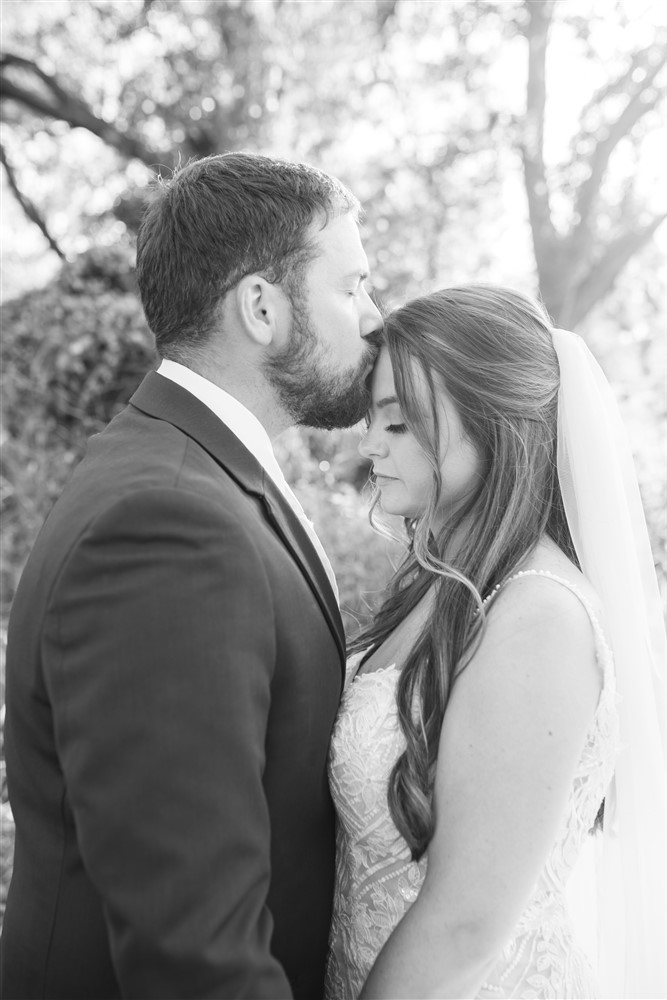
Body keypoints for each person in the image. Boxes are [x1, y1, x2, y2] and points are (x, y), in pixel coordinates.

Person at [1, 152, 382, 999]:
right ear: (261, 307)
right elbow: (194, 954)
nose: (373, 316)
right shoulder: (169, 524)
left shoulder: (197, 472)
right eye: (352, 286)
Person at [325, 285, 666, 999]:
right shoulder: (437, 582)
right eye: (372, 422)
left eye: (398, 424)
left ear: (491, 422)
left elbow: (465, 927)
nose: (369, 445)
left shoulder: (537, 617)